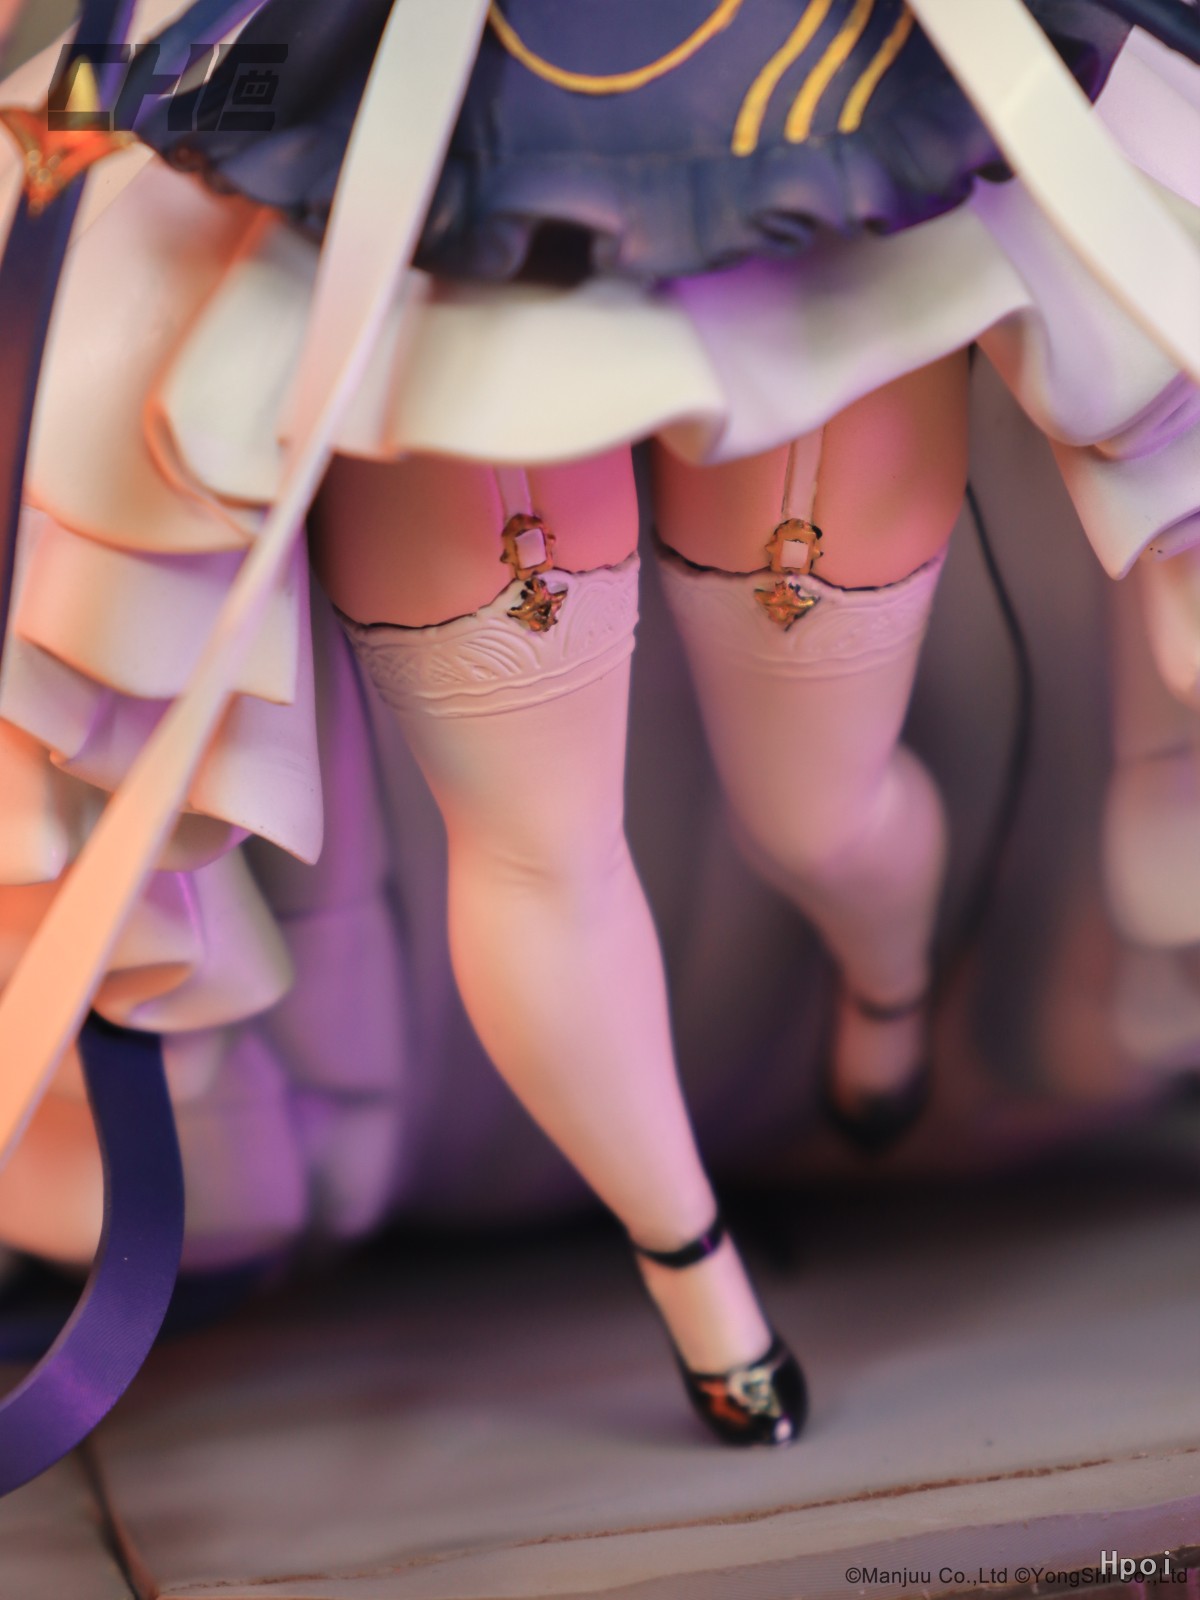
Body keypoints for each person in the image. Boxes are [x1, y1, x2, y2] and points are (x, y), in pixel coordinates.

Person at [1, 0, 1199, 1449]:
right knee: (536, 843)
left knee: (816, 806)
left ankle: (880, 987)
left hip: (804, 96)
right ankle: (694, 1269)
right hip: (420, 136)